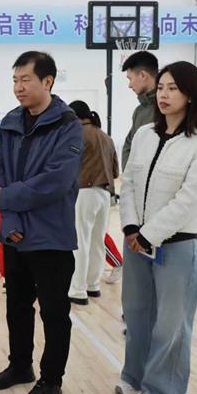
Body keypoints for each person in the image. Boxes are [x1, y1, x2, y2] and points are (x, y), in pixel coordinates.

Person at [0, 51, 83, 394]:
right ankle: (20, 366)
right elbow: (0, 172)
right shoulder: (11, 122)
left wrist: (6, 200)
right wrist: (9, 216)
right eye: (15, 80)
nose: (18, 87)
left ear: (47, 81)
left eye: (25, 80)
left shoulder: (67, 125)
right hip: (16, 235)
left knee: (54, 313)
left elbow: (56, 181)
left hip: (51, 236)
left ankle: (51, 380)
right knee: (17, 306)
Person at [117, 61, 197, 394]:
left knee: (171, 326)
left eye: (173, 88)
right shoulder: (145, 134)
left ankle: (162, 390)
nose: (164, 95)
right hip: (135, 243)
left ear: (191, 95)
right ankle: (134, 377)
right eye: (161, 88)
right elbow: (129, 181)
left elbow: (189, 199)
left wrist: (148, 234)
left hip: (176, 247)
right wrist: (131, 228)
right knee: (137, 316)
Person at [109, 52, 159, 284]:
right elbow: (130, 145)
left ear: (143, 75)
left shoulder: (163, 109)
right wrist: (131, 181)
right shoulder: (139, 111)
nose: (129, 85)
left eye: (130, 79)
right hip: (137, 197)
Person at [67, 100, 119, 305]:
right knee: (97, 241)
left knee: (80, 241)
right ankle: (92, 285)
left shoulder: (77, 134)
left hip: (84, 192)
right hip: (105, 194)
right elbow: (115, 171)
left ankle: (77, 290)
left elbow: (68, 165)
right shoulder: (106, 137)